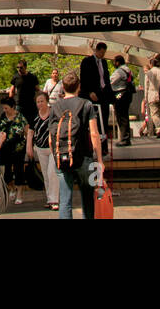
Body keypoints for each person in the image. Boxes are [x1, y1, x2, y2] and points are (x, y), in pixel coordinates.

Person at [49, 72, 104, 220]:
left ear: (63, 88)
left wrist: (56, 156)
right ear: (79, 87)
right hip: (84, 157)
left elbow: (50, 138)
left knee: (65, 200)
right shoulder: (86, 104)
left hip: (61, 157)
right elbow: (94, 134)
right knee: (87, 198)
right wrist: (99, 160)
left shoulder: (55, 107)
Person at [26, 89, 59, 210]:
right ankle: (50, 198)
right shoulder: (34, 116)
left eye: (42, 101)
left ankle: (55, 199)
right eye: (38, 102)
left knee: (52, 173)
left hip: (52, 148)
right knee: (45, 174)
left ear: (47, 101)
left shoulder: (53, 114)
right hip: (40, 148)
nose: (40, 104)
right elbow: (30, 132)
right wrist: (29, 147)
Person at [0, 96, 30, 206]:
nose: (5, 110)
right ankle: (12, 188)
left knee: (19, 171)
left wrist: (29, 146)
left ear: (12, 107)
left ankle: (19, 193)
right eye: (3, 108)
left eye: (6, 108)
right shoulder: (2, 118)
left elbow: (27, 132)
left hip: (18, 148)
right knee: (7, 173)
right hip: (5, 148)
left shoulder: (21, 118)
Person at [78, 42, 112, 149]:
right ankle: (92, 146)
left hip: (103, 95)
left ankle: (104, 146)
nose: (102, 55)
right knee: (93, 121)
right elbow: (83, 79)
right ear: (96, 50)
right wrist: (89, 92)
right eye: (101, 52)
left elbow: (106, 79)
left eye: (104, 53)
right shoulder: (87, 61)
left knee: (104, 121)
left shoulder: (104, 62)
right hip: (91, 95)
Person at [109, 54, 135, 146]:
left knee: (121, 116)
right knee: (124, 116)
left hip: (120, 94)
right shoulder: (128, 70)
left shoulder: (119, 71)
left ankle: (124, 139)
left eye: (114, 62)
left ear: (118, 62)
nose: (114, 64)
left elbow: (110, 81)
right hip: (128, 94)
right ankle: (126, 138)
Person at [139, 55, 160, 139]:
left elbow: (146, 86)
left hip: (152, 95)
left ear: (151, 64)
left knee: (154, 113)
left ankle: (158, 129)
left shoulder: (149, 73)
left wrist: (146, 97)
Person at [8, 59, 40, 123]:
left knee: (32, 122)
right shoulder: (15, 77)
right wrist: (10, 102)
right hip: (20, 104)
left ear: (25, 67)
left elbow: (37, 90)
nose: (19, 69)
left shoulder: (32, 77)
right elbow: (12, 90)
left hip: (31, 104)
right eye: (18, 67)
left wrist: (37, 100)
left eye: (21, 67)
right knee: (18, 123)